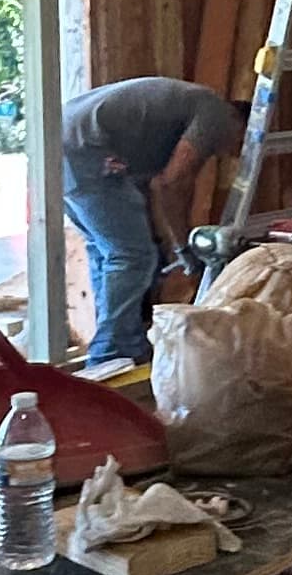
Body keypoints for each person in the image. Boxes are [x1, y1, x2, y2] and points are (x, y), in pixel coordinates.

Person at [61, 77, 243, 369]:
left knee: (107, 253)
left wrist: (163, 241)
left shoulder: (178, 116)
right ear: (239, 123)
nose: (235, 152)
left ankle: (122, 346)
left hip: (61, 140)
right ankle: (110, 353)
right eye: (241, 142)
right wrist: (184, 247)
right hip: (85, 147)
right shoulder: (216, 114)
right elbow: (170, 184)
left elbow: (155, 184)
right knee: (131, 256)